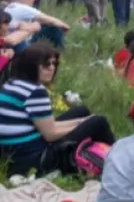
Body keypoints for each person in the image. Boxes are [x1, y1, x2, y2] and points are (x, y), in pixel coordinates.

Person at [0, 42, 115, 176]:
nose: (51, 68)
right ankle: (118, 162)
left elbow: (47, 126)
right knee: (98, 121)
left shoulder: (12, 84)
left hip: (13, 155)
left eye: (54, 64)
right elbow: (50, 134)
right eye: (46, 65)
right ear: (30, 66)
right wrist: (85, 122)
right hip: (36, 159)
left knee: (81, 111)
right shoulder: (35, 91)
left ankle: (94, 156)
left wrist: (82, 121)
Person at [5, 0, 71, 48]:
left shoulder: (10, 7)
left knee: (44, 25)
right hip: (22, 40)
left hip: (12, 38)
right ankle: (60, 49)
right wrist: (64, 25)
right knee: (55, 28)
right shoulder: (22, 7)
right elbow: (48, 19)